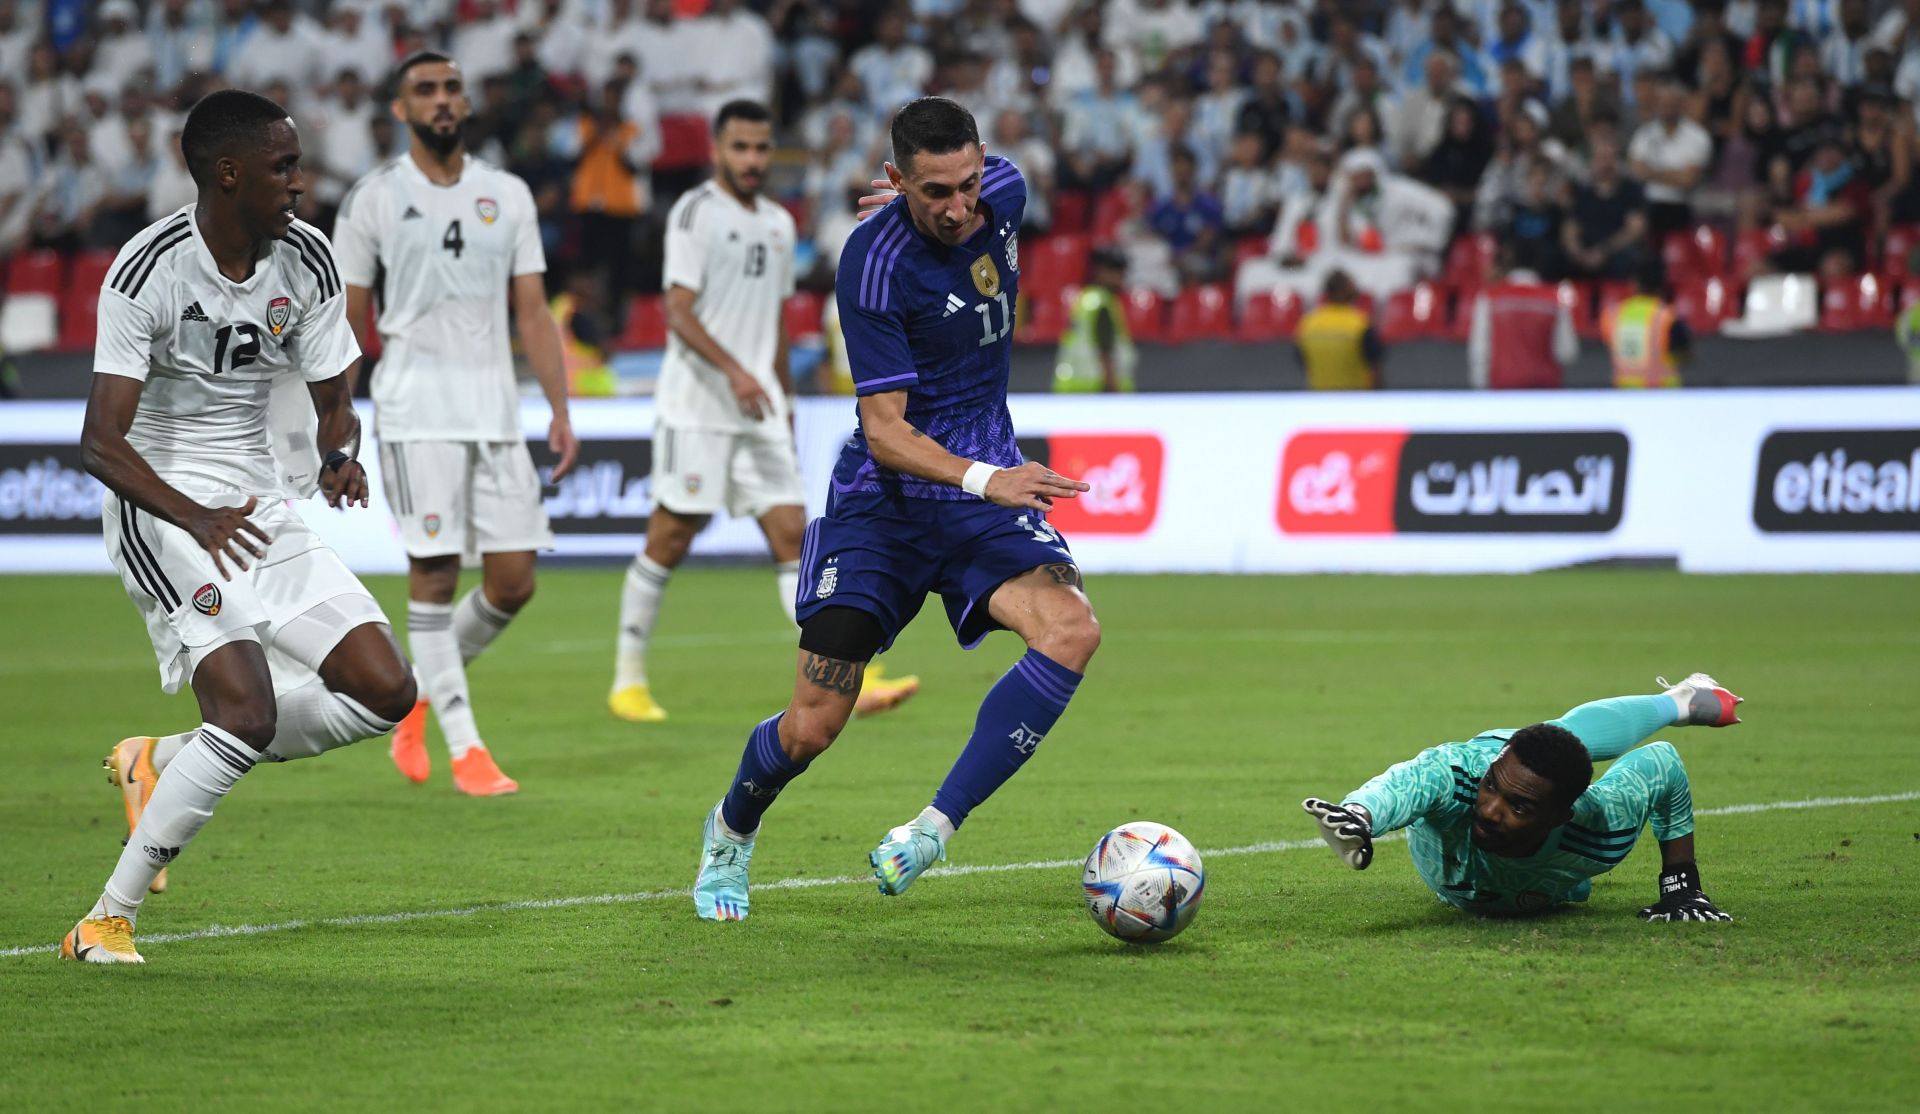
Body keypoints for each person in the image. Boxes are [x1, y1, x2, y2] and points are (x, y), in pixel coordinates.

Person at [691, 97, 1099, 921]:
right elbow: (885, 433)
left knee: (1072, 628)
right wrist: (992, 477)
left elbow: (987, 191)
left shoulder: (1006, 193)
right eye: (932, 193)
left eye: (965, 185)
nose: (957, 209)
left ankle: (932, 830)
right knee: (811, 728)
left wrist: (987, 483)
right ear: (893, 181)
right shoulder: (871, 265)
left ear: (985, 161)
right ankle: (731, 831)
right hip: (885, 509)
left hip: (978, 500)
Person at [64, 90, 417, 964]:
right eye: (283, 167)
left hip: (257, 503)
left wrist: (340, 453)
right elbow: (100, 443)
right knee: (247, 712)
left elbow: (337, 396)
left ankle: (164, 761)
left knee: (387, 691)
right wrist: (194, 516)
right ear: (228, 174)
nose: (300, 182)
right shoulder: (147, 271)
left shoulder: (309, 259)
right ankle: (105, 922)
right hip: (162, 504)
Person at [609, 100, 920, 724]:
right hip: (698, 408)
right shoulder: (696, 213)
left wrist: (784, 400)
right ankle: (628, 681)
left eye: (760, 148)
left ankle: (844, 670)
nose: (752, 160)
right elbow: (678, 309)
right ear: (718, 151)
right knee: (669, 539)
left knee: (793, 538)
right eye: (741, 148)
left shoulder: (779, 223)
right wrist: (735, 372)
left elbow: (776, 323)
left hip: (759, 409)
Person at [331, 52, 578, 796]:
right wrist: (338, 420)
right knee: (435, 575)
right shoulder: (372, 198)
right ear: (401, 109)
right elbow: (350, 317)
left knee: (513, 582)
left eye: (451, 89)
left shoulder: (506, 193)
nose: (442, 101)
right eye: (425, 91)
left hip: (496, 410)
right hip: (414, 409)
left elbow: (531, 308)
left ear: (465, 103)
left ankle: (414, 699)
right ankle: (467, 749)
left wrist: (560, 409)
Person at [1303, 673, 1744, 920]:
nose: (1491, 810)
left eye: (1518, 808)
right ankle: (1680, 702)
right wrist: (1359, 814)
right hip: (1498, 756)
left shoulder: (1600, 830)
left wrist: (1681, 886)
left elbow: (1661, 763)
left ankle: (1681, 700)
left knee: (1567, 745)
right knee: (1565, 736)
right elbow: (1410, 781)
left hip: (1537, 807)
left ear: (1559, 818)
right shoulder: (1461, 779)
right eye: (1492, 788)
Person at [1467, 246, 1579, 388]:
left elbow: (1480, 350)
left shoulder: (1489, 298)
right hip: (1545, 390)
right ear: (1539, 264)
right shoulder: (1555, 299)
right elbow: (1567, 353)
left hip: (1502, 387)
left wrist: (1480, 389)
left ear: (1509, 263)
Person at [1054, 246, 1136, 392]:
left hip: (1074, 387)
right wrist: (1113, 386)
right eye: (1117, 272)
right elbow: (1104, 349)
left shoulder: (1084, 298)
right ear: (1101, 271)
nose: (1121, 278)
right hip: (1096, 388)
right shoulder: (1102, 303)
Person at [1603, 262, 1693, 387]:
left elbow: (1612, 344)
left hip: (1624, 396)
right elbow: (1684, 354)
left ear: (1634, 283)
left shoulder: (1612, 315)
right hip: (1661, 396)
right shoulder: (1668, 318)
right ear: (1662, 285)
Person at [1295, 268, 1382, 389]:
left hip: (1319, 399)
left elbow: (1304, 363)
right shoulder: (1360, 324)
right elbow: (1374, 367)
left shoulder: (1308, 324)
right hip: (1355, 399)